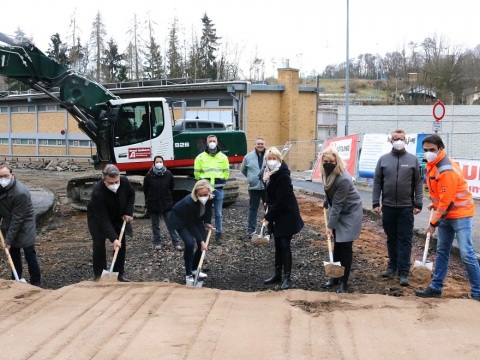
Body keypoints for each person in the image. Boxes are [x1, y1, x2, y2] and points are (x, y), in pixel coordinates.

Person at [415, 134, 480, 301]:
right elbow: (440, 195)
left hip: (460, 215)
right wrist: (435, 206)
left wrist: (433, 223)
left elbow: (449, 201)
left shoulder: (446, 169)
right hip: (445, 213)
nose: (428, 153)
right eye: (426, 150)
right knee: (442, 251)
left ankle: (477, 291)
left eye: (432, 150)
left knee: (466, 253)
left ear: (440, 149)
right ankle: (436, 287)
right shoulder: (432, 164)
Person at [372, 129, 423, 286]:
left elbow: (418, 183)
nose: (398, 141)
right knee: (391, 239)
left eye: (401, 138)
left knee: (405, 240)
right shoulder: (383, 160)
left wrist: (418, 203)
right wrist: (375, 202)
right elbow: (377, 182)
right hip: (388, 207)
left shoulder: (413, 160)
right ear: (391, 141)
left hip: (406, 208)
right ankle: (392, 266)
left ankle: (404, 271)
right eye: (396, 138)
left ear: (406, 141)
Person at [321, 147, 363, 293]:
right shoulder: (325, 173)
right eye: (325, 161)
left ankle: (343, 282)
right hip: (338, 209)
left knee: (345, 246)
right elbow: (329, 190)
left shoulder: (343, 178)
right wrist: (326, 200)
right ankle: (334, 276)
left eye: (331, 161)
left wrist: (329, 226)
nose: (328, 163)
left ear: (337, 161)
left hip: (350, 212)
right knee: (337, 244)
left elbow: (338, 203)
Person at [261, 147, 304, 290]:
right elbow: (270, 195)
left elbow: (282, 200)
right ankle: (277, 274)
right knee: (278, 245)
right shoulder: (267, 174)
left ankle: (287, 277)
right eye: (269, 158)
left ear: (279, 159)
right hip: (277, 213)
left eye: (274, 158)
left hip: (287, 213)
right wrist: (267, 207)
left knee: (285, 244)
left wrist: (268, 216)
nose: (271, 161)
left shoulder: (283, 175)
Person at [87, 164, 135, 282]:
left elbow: (131, 195)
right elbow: (103, 219)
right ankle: (99, 275)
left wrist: (128, 212)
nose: (114, 185)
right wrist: (113, 239)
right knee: (99, 245)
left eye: (116, 182)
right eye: (111, 183)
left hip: (118, 215)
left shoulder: (124, 181)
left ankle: (119, 273)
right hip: (98, 219)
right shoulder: (97, 192)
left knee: (120, 244)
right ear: (104, 181)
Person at [0, 163, 41, 286]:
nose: (3, 179)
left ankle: (36, 282)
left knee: (29, 253)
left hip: (25, 225)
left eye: (5, 176)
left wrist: (8, 240)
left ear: (12, 175)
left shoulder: (20, 192)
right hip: (9, 222)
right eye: (0, 176)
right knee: (13, 253)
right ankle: (16, 281)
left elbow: (18, 219)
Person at [168, 179, 215, 286]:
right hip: (181, 220)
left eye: (205, 194)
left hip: (196, 219)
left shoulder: (210, 198)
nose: (203, 197)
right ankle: (188, 274)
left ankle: (195, 269)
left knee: (202, 242)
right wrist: (201, 241)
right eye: (200, 195)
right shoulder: (189, 203)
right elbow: (191, 225)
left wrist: (207, 223)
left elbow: (208, 212)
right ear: (196, 193)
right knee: (190, 243)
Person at [194, 134, 230, 244]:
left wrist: (222, 180)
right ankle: (204, 233)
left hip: (218, 189)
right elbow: (197, 173)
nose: (212, 142)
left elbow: (226, 172)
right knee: (205, 212)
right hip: (206, 191)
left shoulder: (223, 157)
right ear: (207, 142)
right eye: (210, 141)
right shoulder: (200, 157)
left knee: (218, 213)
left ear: (217, 142)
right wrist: (204, 185)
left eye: (214, 140)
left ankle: (219, 234)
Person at [143, 156, 182, 251]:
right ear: (154, 163)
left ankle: (176, 242)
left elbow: (171, 187)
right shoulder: (149, 176)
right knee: (155, 225)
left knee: (171, 223)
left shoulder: (168, 174)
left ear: (163, 162)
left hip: (166, 203)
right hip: (153, 204)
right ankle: (157, 242)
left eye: (160, 161)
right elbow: (146, 190)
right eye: (157, 161)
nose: (159, 163)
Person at [241, 137, 267, 237]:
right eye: (258, 144)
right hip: (253, 188)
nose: (260, 145)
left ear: (264, 144)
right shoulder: (248, 157)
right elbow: (243, 170)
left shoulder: (269, 155)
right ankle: (251, 229)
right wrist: (251, 178)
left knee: (268, 208)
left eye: (262, 143)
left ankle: (270, 229)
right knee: (253, 209)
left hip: (266, 188)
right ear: (255, 144)